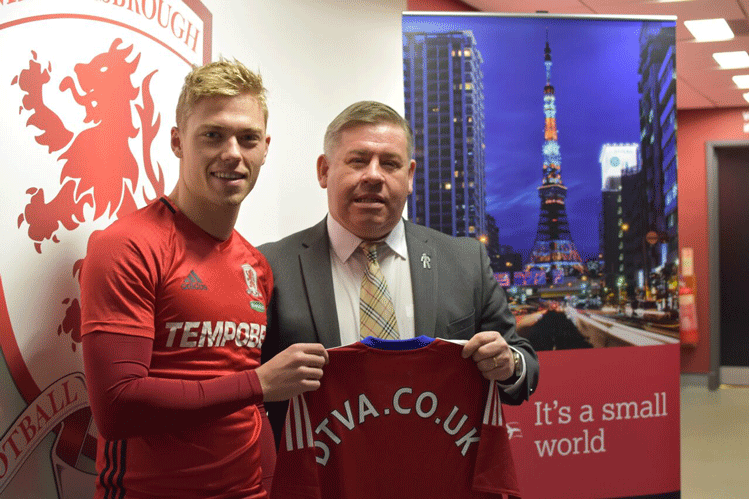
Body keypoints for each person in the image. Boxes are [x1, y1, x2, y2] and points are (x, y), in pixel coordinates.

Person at [80, 59, 328, 499]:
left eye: (248, 138)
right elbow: (116, 408)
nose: (232, 152)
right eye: (213, 135)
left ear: (265, 148)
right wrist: (261, 383)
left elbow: (245, 416)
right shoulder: (127, 245)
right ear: (177, 142)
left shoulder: (255, 265)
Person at [259, 100, 539, 444]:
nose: (374, 176)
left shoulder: (464, 261)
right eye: (358, 160)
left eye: (390, 164)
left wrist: (508, 364)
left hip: (439, 477)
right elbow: (245, 391)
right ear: (323, 170)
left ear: (409, 177)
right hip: (320, 482)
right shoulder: (271, 267)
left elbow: (523, 366)